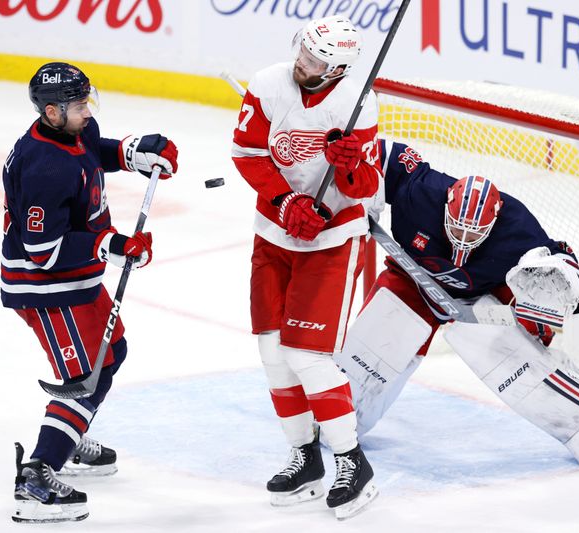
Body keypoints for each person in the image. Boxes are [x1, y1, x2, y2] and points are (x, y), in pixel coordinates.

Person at [335, 139, 579, 468]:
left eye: (474, 233)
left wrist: (561, 285)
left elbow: (560, 260)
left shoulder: (518, 226)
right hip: (412, 280)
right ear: (446, 203)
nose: (463, 239)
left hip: (478, 302)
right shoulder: (421, 189)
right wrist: (344, 162)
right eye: (457, 228)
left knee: (522, 373)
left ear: (495, 219)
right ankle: (334, 428)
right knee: (369, 358)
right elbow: (376, 152)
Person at [2, 62, 178, 523]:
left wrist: (132, 153)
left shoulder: (73, 131)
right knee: (87, 376)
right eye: (79, 105)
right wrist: (111, 244)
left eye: (86, 100)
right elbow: (41, 250)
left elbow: (92, 150)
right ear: (52, 112)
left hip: (77, 277)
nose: (88, 111)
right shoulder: (42, 168)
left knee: (110, 353)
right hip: (46, 286)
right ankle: (36, 476)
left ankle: (67, 435)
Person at [231, 15, 381, 520]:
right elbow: (248, 154)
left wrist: (350, 164)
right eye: (302, 51)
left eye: (315, 60)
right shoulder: (269, 83)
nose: (303, 62)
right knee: (273, 352)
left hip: (332, 240)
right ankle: (305, 456)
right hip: (273, 236)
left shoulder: (357, 104)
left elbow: (366, 188)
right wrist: (284, 202)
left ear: (336, 68)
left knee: (307, 355)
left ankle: (351, 461)